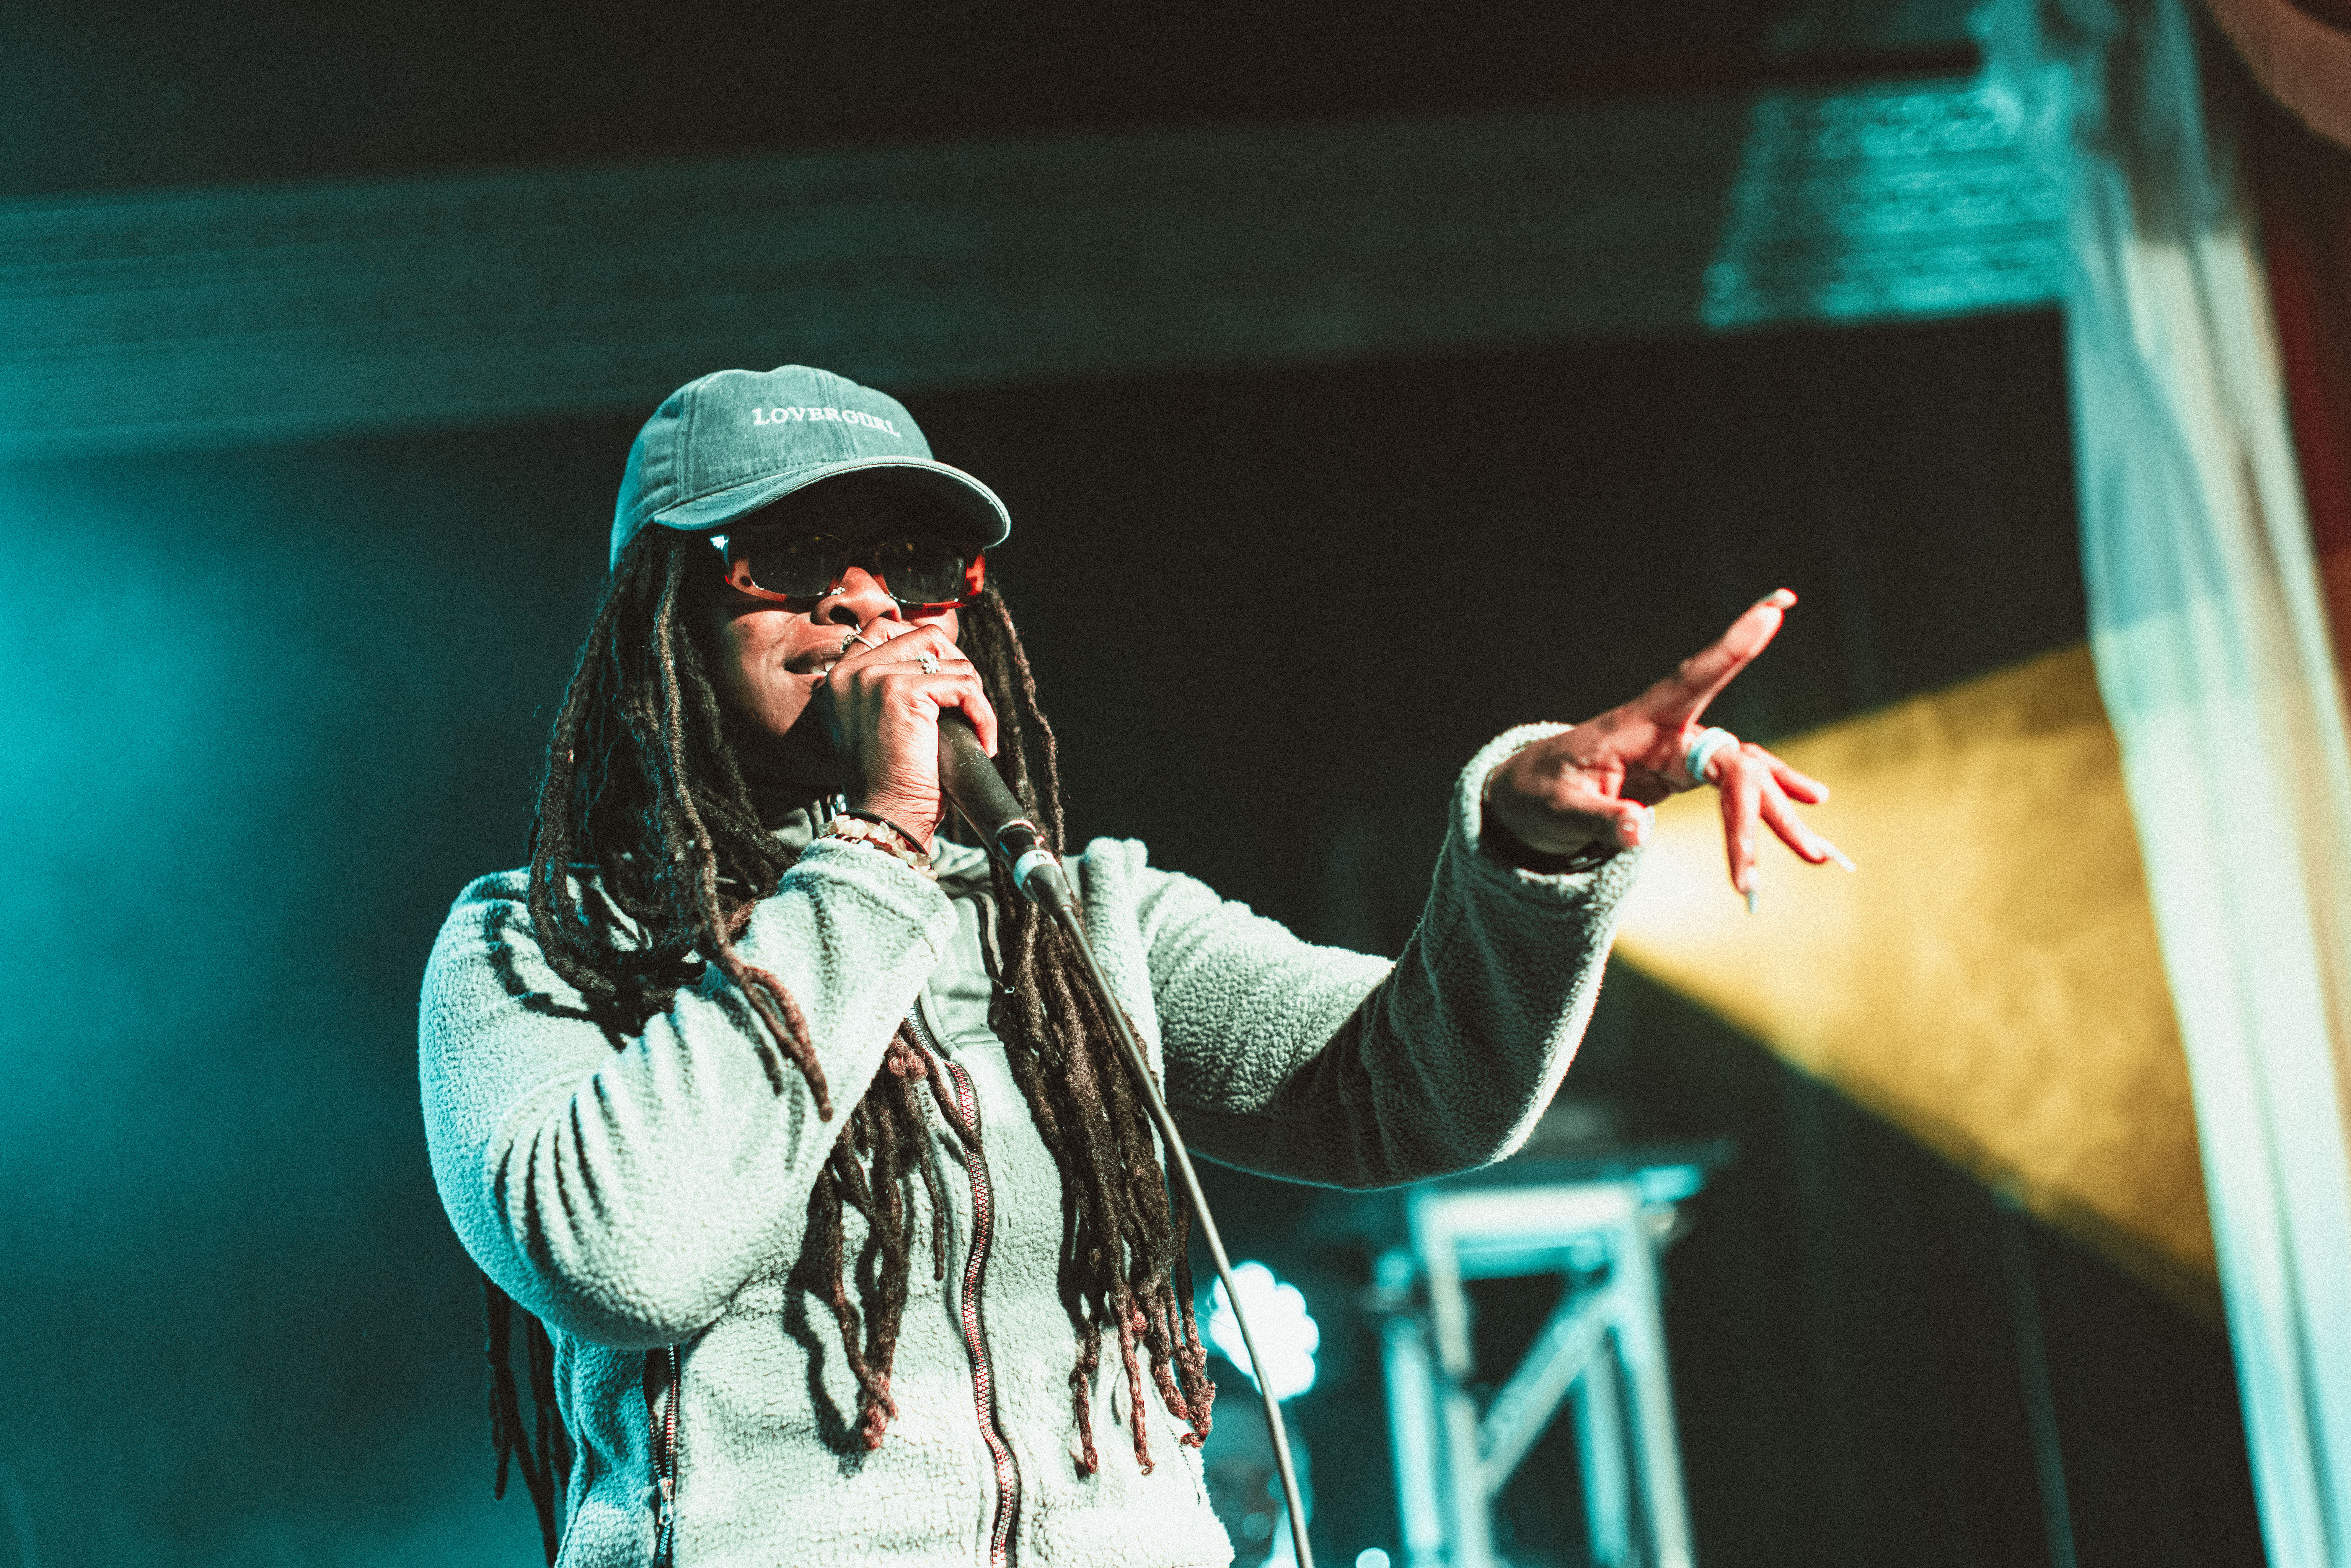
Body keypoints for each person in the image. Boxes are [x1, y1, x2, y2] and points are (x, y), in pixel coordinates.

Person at [418, 364, 1837, 1568]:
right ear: (663, 613)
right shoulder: (536, 947)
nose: (865, 602)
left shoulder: (1085, 920)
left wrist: (1526, 856)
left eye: (915, 565)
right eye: (783, 556)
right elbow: (627, 1256)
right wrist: (876, 849)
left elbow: (1420, 1090)